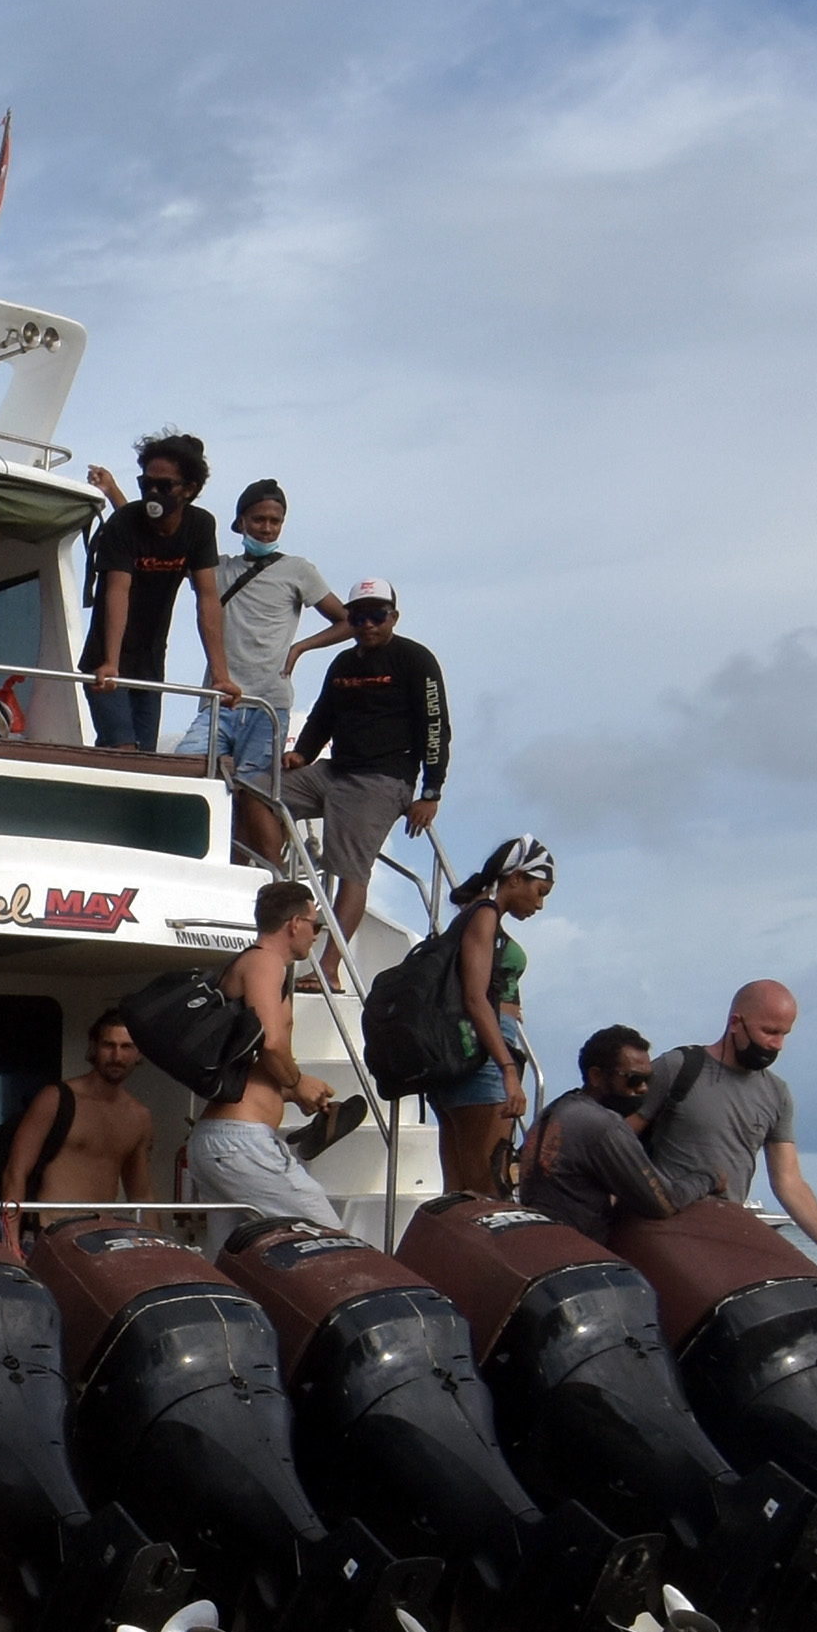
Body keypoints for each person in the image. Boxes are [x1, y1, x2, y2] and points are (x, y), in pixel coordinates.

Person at [179, 879, 344, 1243]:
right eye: (315, 925)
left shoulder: (258, 968)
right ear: (295, 923)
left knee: (242, 1266)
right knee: (332, 1242)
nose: (316, 935)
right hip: (240, 1143)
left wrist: (291, 1093)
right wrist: (298, 1082)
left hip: (225, 1143)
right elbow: (269, 1043)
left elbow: (252, 1059)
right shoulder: (266, 962)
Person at [281, 583, 449, 923]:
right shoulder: (343, 662)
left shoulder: (416, 659)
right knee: (258, 793)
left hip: (382, 779)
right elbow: (322, 715)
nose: (368, 624)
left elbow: (435, 726)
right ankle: (273, 880)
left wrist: (431, 792)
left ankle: (329, 965)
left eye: (377, 615)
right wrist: (302, 754)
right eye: (359, 617)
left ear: (393, 618)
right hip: (334, 770)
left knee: (351, 870)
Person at [636, 980, 817, 1254]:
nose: (777, 1045)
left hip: (724, 1232)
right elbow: (617, 1141)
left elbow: (788, 1180)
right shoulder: (677, 1068)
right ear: (735, 1023)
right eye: (769, 1032)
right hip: (663, 1231)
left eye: (784, 1034)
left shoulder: (776, 1094)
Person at [206, 480, 347, 862]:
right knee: (193, 775)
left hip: (269, 703)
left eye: (275, 521)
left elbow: (347, 620)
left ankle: (261, 877)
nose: (266, 528)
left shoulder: (298, 570)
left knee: (254, 796)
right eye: (258, 519)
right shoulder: (216, 568)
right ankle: (217, 867)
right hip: (219, 701)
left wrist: (301, 647)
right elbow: (162, 542)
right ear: (241, 521)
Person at [81, 431, 234, 751]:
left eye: (164, 487)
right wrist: (110, 662)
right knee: (124, 750)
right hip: (106, 656)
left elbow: (207, 597)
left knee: (144, 755)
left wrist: (220, 676)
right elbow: (117, 591)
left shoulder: (200, 526)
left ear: (189, 489)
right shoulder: (124, 523)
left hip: (150, 660)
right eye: (146, 484)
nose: (153, 493)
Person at [433, 837, 555, 1198]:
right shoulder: (485, 914)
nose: (540, 903)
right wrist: (508, 1068)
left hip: (460, 1050)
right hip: (484, 1051)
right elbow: (475, 997)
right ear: (515, 878)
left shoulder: (475, 913)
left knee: (459, 1188)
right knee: (490, 1186)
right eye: (540, 890)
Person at [0, 1010, 160, 1235]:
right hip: (50, 1232)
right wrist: (9, 1241)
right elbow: (15, 1172)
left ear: (139, 1053)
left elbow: (141, 1194)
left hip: (100, 1235)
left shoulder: (139, 1116)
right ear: (93, 1047)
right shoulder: (55, 1098)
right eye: (108, 1045)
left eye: (126, 1047)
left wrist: (160, 1247)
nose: (117, 1056)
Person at [515, 1025, 675, 1245]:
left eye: (649, 1079)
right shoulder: (602, 1125)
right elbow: (662, 1203)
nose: (644, 1089)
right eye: (633, 1079)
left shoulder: (552, 1113)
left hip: (539, 1243)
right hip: (576, 1251)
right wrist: (707, 1179)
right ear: (596, 1076)